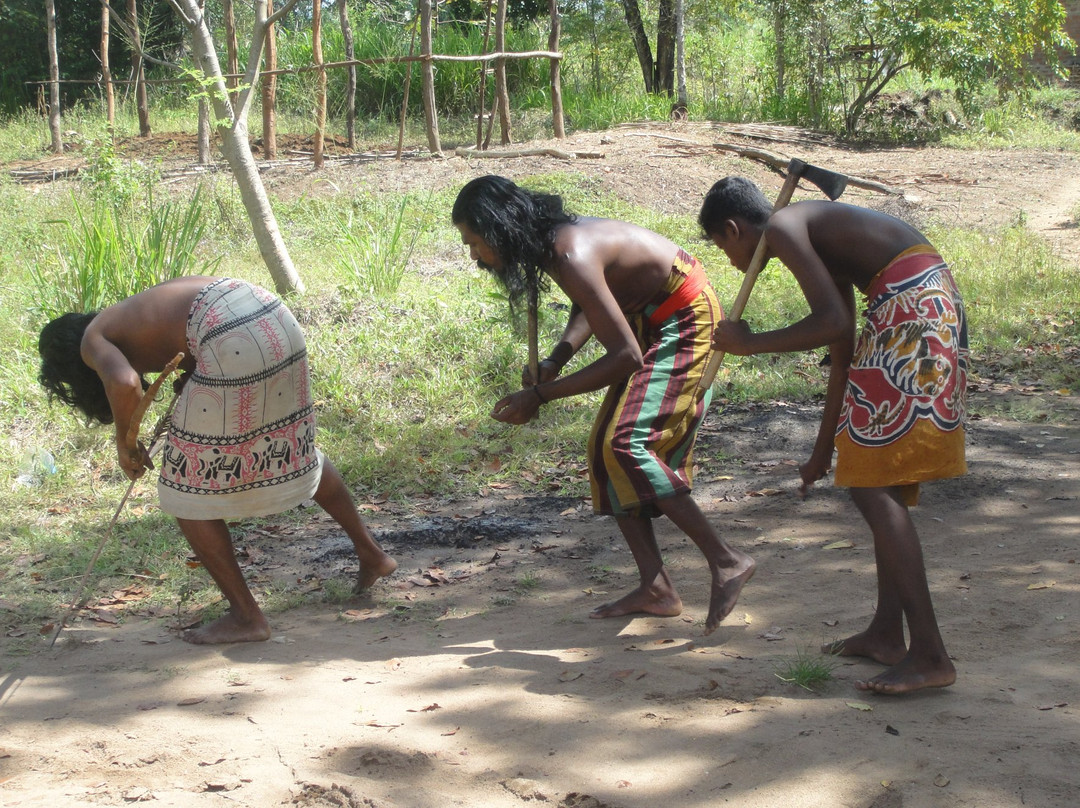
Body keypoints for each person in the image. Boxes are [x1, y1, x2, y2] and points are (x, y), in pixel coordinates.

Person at [452, 175, 755, 634]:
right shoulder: (550, 246)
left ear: (498, 229)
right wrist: (557, 359)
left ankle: (727, 560)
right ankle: (656, 588)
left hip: (684, 317)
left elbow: (625, 357)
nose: (473, 256)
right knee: (603, 453)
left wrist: (539, 395)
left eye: (474, 243)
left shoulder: (568, 251)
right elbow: (591, 303)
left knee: (628, 443)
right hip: (648, 319)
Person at [700, 176, 968, 694]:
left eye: (721, 247)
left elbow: (829, 323)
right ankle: (888, 634)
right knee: (876, 481)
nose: (730, 261)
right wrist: (823, 451)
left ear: (733, 229)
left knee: (874, 490)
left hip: (912, 314)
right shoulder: (817, 237)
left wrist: (751, 344)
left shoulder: (782, 226)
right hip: (917, 308)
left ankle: (931, 654)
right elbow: (841, 346)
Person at [38, 277, 398, 645]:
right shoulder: (126, 316)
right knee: (295, 449)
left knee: (184, 490)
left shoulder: (91, 340)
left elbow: (125, 383)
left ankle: (246, 617)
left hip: (232, 338)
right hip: (276, 321)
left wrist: (125, 442)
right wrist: (196, 372)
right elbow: (192, 327)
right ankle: (372, 554)